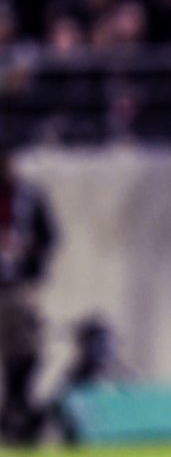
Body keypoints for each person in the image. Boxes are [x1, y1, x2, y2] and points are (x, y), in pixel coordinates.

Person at [0, 147, 57, 444]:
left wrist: (28, 251)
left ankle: (17, 406)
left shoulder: (28, 196)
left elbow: (49, 236)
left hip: (19, 284)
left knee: (26, 349)